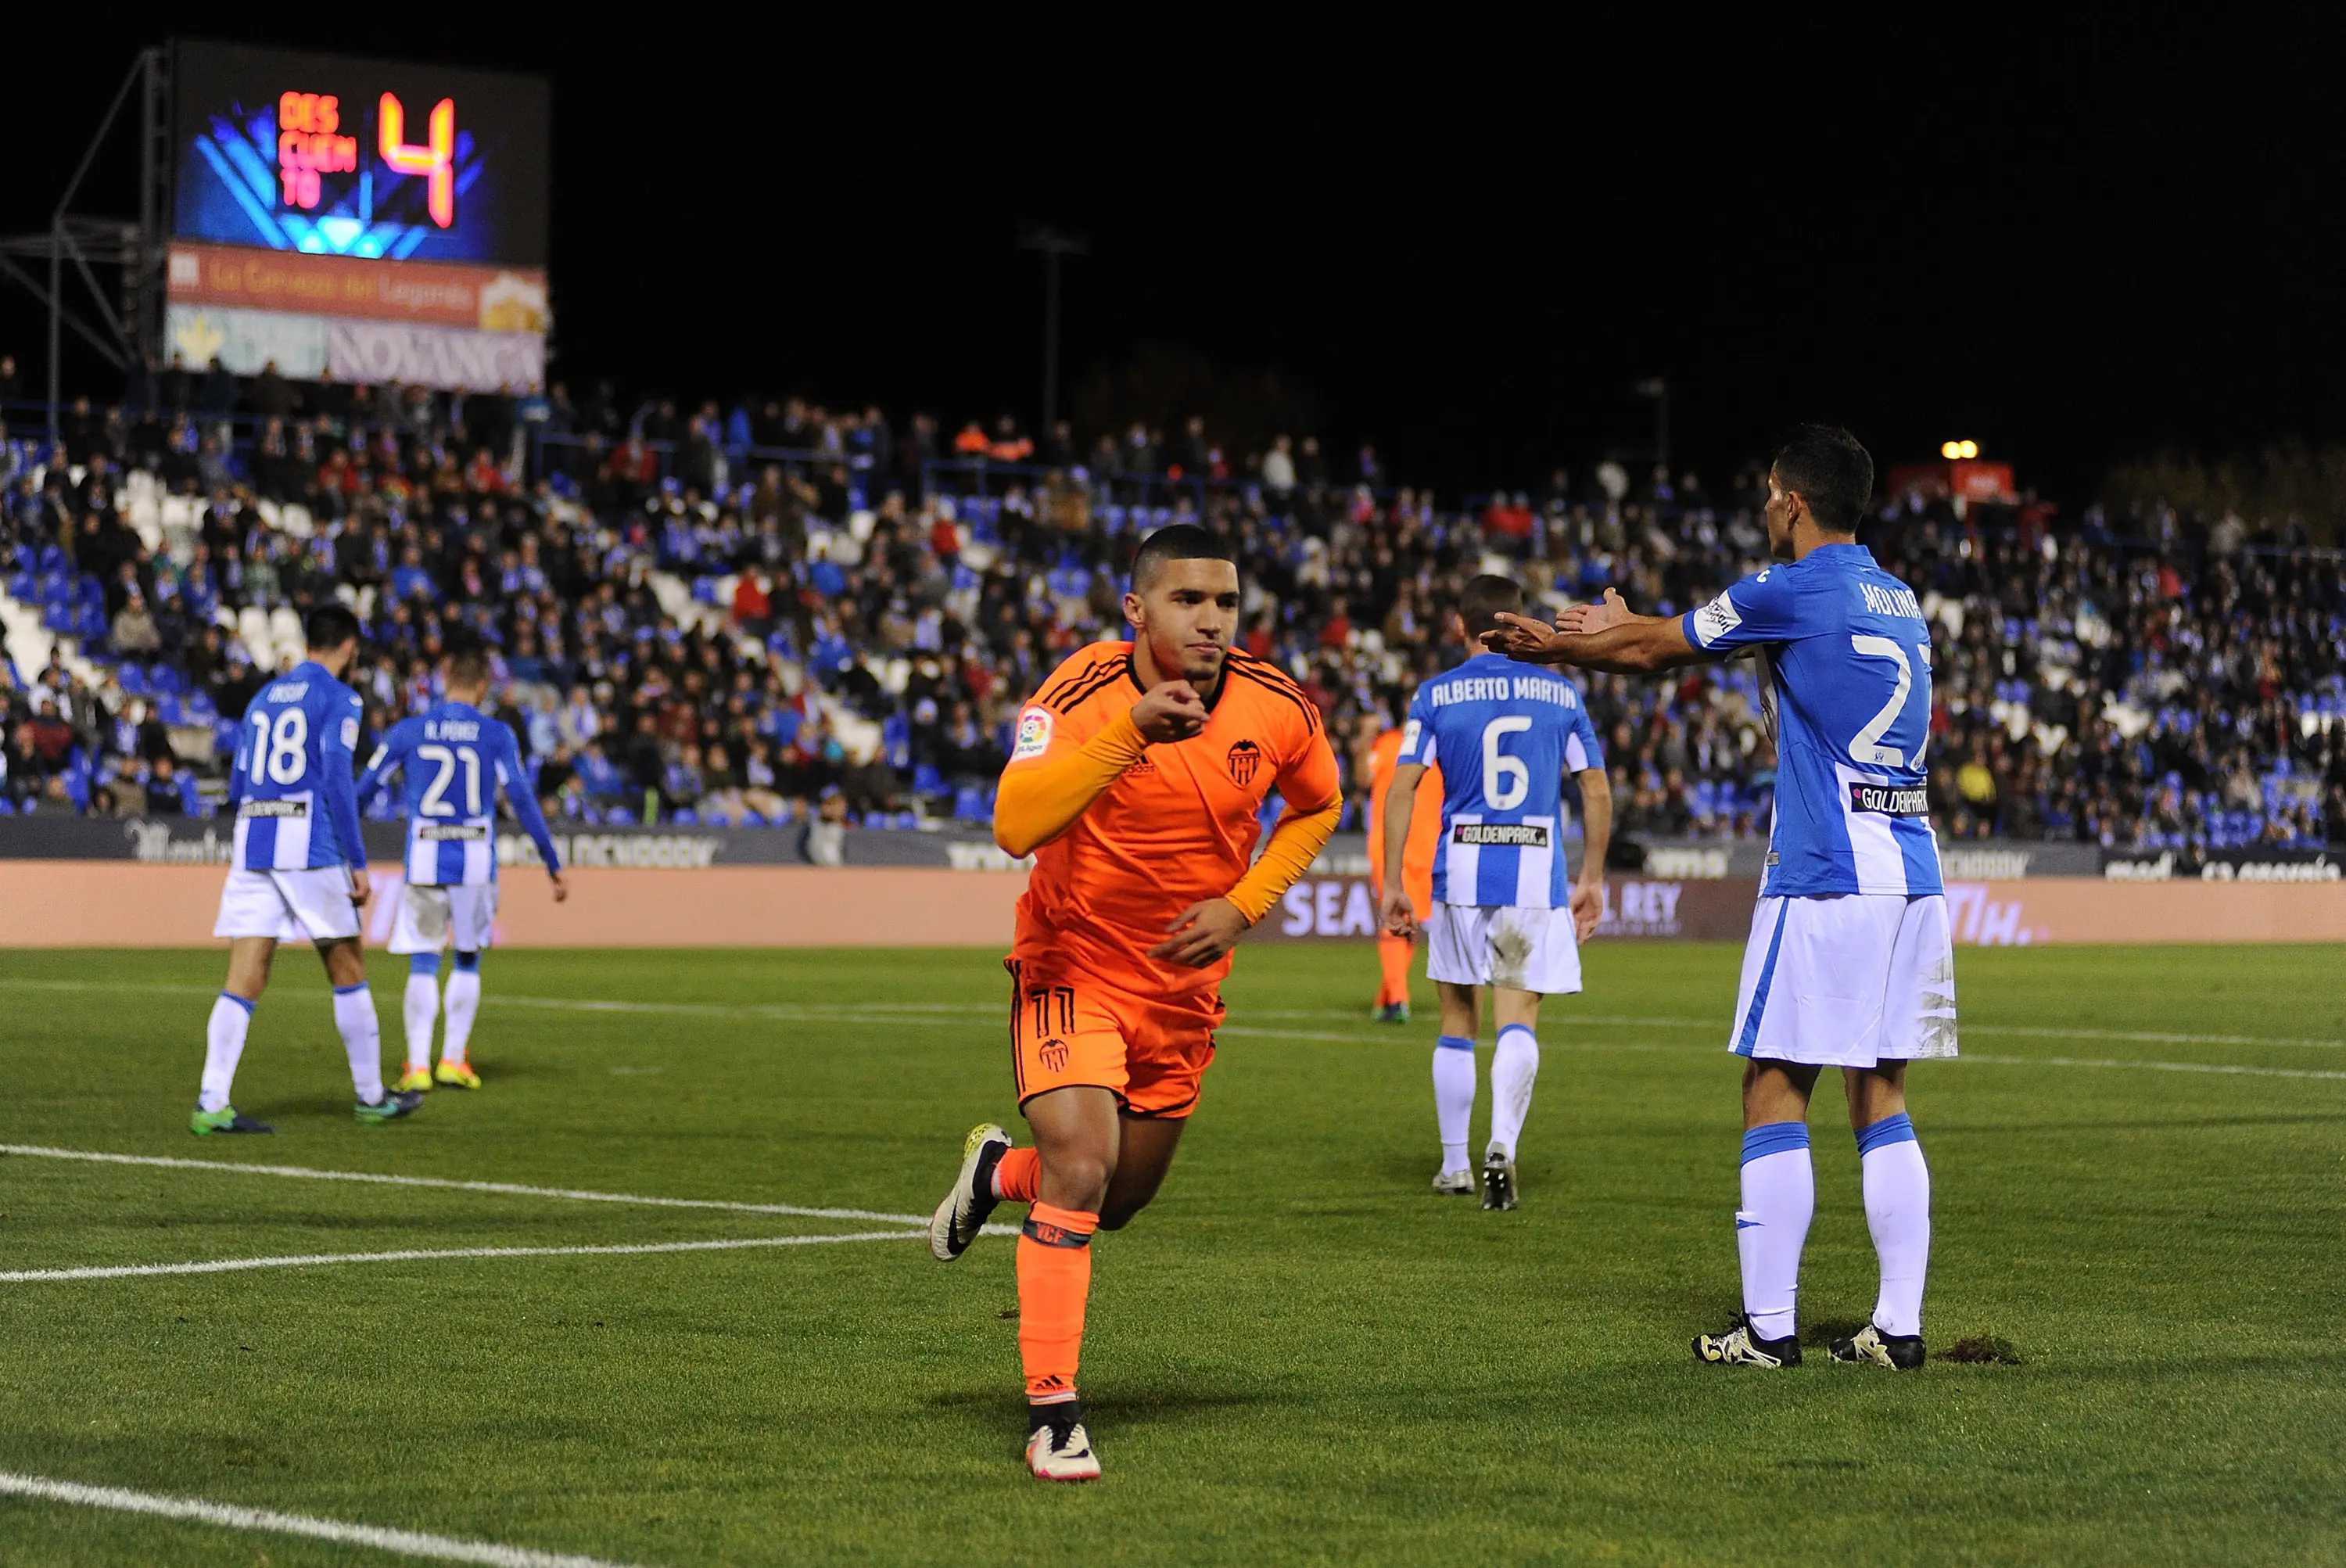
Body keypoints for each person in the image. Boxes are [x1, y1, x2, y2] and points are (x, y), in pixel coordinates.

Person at [1483, 425, 1953, 1371]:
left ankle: (1768, 1331)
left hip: (1825, 873)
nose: (1764, 508)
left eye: (1770, 494)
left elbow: (1663, 651)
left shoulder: (1787, 588)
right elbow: (1670, 636)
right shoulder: (1897, 596)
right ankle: (1897, 1328)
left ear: (1792, 500)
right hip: (1912, 870)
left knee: (1773, 1089)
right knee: (1883, 1093)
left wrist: (1569, 644)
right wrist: (1619, 626)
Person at [925, 524, 1341, 1482]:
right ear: (1137, 610)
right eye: (1188, 601)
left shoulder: (1278, 705)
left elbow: (1317, 804)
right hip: (1070, 962)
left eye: (1226, 603)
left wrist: (1244, 905)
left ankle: (995, 1175)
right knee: (1082, 1164)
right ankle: (1054, 1413)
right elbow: (1014, 823)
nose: (1210, 621)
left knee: (1116, 1200)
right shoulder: (1077, 691)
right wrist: (1128, 737)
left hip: (1182, 991)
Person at [1378, 575, 1611, 1207]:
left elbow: (1402, 787)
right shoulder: (1560, 693)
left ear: (1461, 625)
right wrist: (1591, 875)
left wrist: (1394, 879)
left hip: (1461, 870)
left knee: (1458, 1016)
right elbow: (1594, 787)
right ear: (1514, 624)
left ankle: (1455, 1164)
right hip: (1533, 872)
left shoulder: (1435, 695)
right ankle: (1502, 1141)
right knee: (1519, 1015)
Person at [196, 603, 421, 1135]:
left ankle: (211, 1100)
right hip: (308, 842)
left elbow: (236, 783)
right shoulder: (340, 698)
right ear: (348, 646)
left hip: (254, 838)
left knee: (244, 976)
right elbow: (339, 781)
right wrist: (357, 860)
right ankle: (370, 1096)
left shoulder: (261, 698)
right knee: (348, 965)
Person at [357, 637, 569, 1092]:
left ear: (445, 682)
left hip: (425, 860)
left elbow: (367, 786)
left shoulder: (408, 731)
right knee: (468, 959)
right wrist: (550, 860)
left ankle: (416, 1066)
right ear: (483, 685)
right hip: (475, 863)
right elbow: (523, 799)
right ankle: (452, 1060)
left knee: (423, 962)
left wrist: (340, 838)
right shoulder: (497, 734)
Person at [1361, 704, 1442, 1023]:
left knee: (1406, 924)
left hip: (1423, 848)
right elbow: (1361, 777)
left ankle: (1389, 999)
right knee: (1398, 919)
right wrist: (1365, 740)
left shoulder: (1435, 750)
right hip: (1395, 847)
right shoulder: (1392, 744)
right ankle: (1396, 1000)